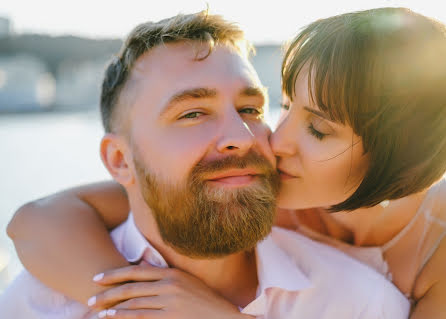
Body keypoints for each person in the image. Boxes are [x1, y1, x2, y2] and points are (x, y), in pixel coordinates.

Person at [0, 10, 410, 319]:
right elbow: (34, 219)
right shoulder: (39, 304)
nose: (242, 136)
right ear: (120, 160)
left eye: (251, 108)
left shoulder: (362, 304)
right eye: (193, 113)